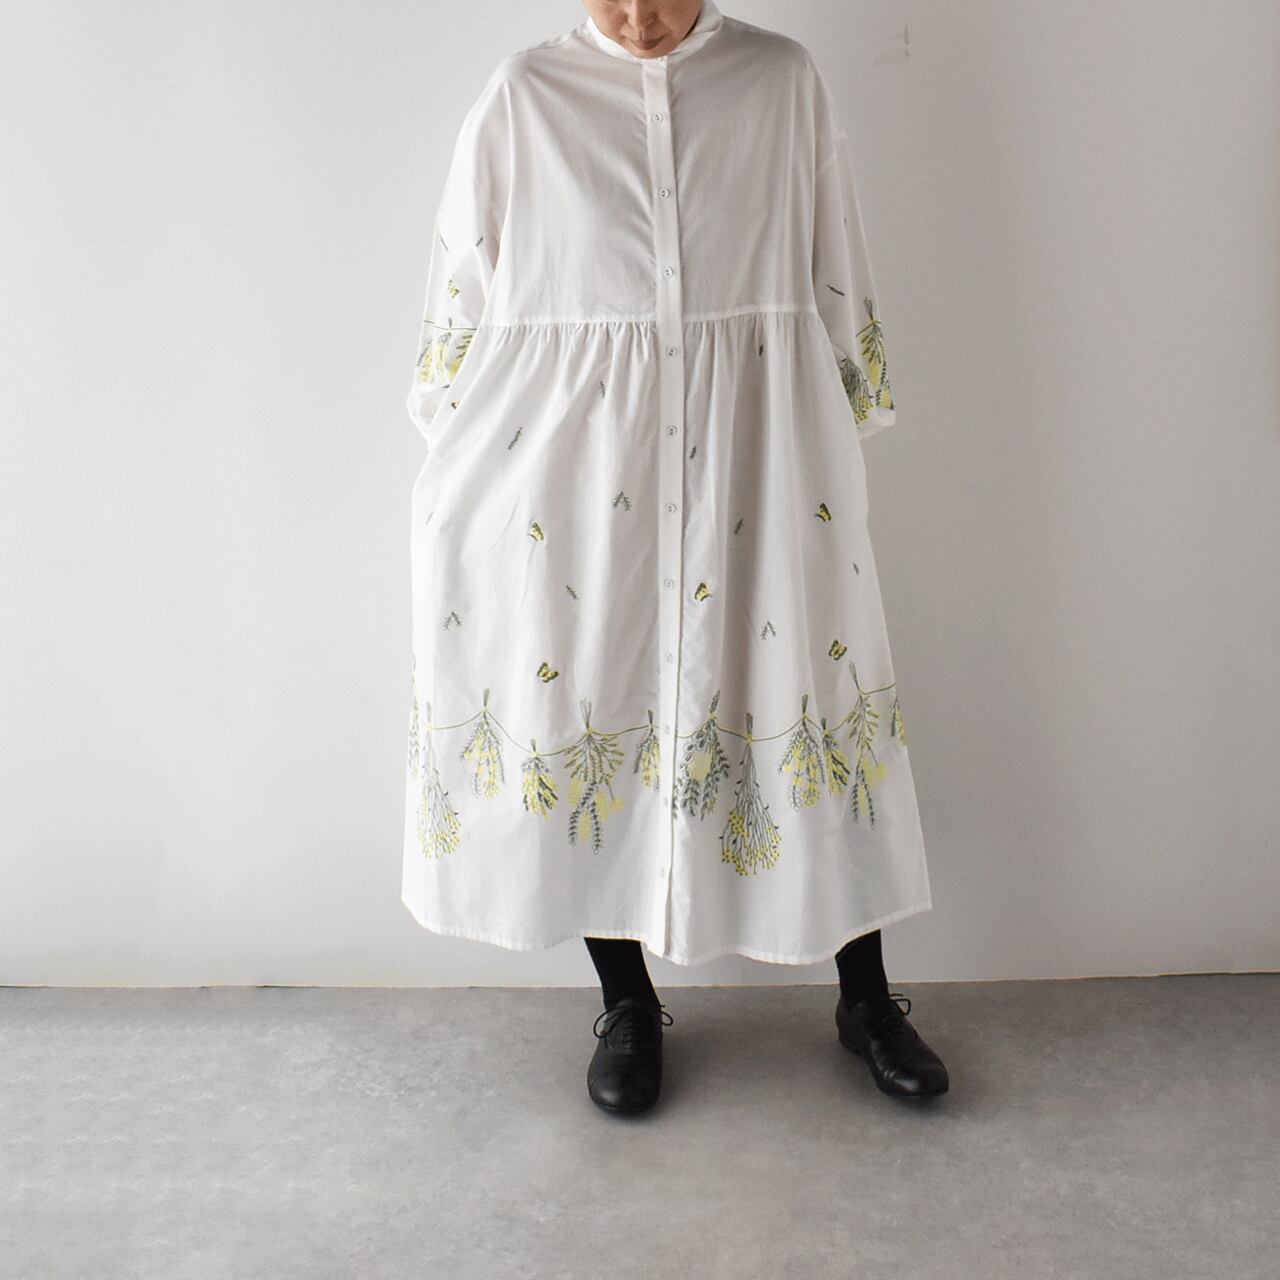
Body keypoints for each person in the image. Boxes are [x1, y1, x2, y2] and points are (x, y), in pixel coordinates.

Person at [403, 0, 949, 1116]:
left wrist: (849, 405)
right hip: (576, 473)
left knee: (805, 692)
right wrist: (453, 433)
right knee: (587, 697)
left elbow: (833, 252)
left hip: (760, 452)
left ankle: (865, 998)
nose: (641, 17)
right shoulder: (524, 98)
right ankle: (626, 1001)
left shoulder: (781, 82)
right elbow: (460, 283)